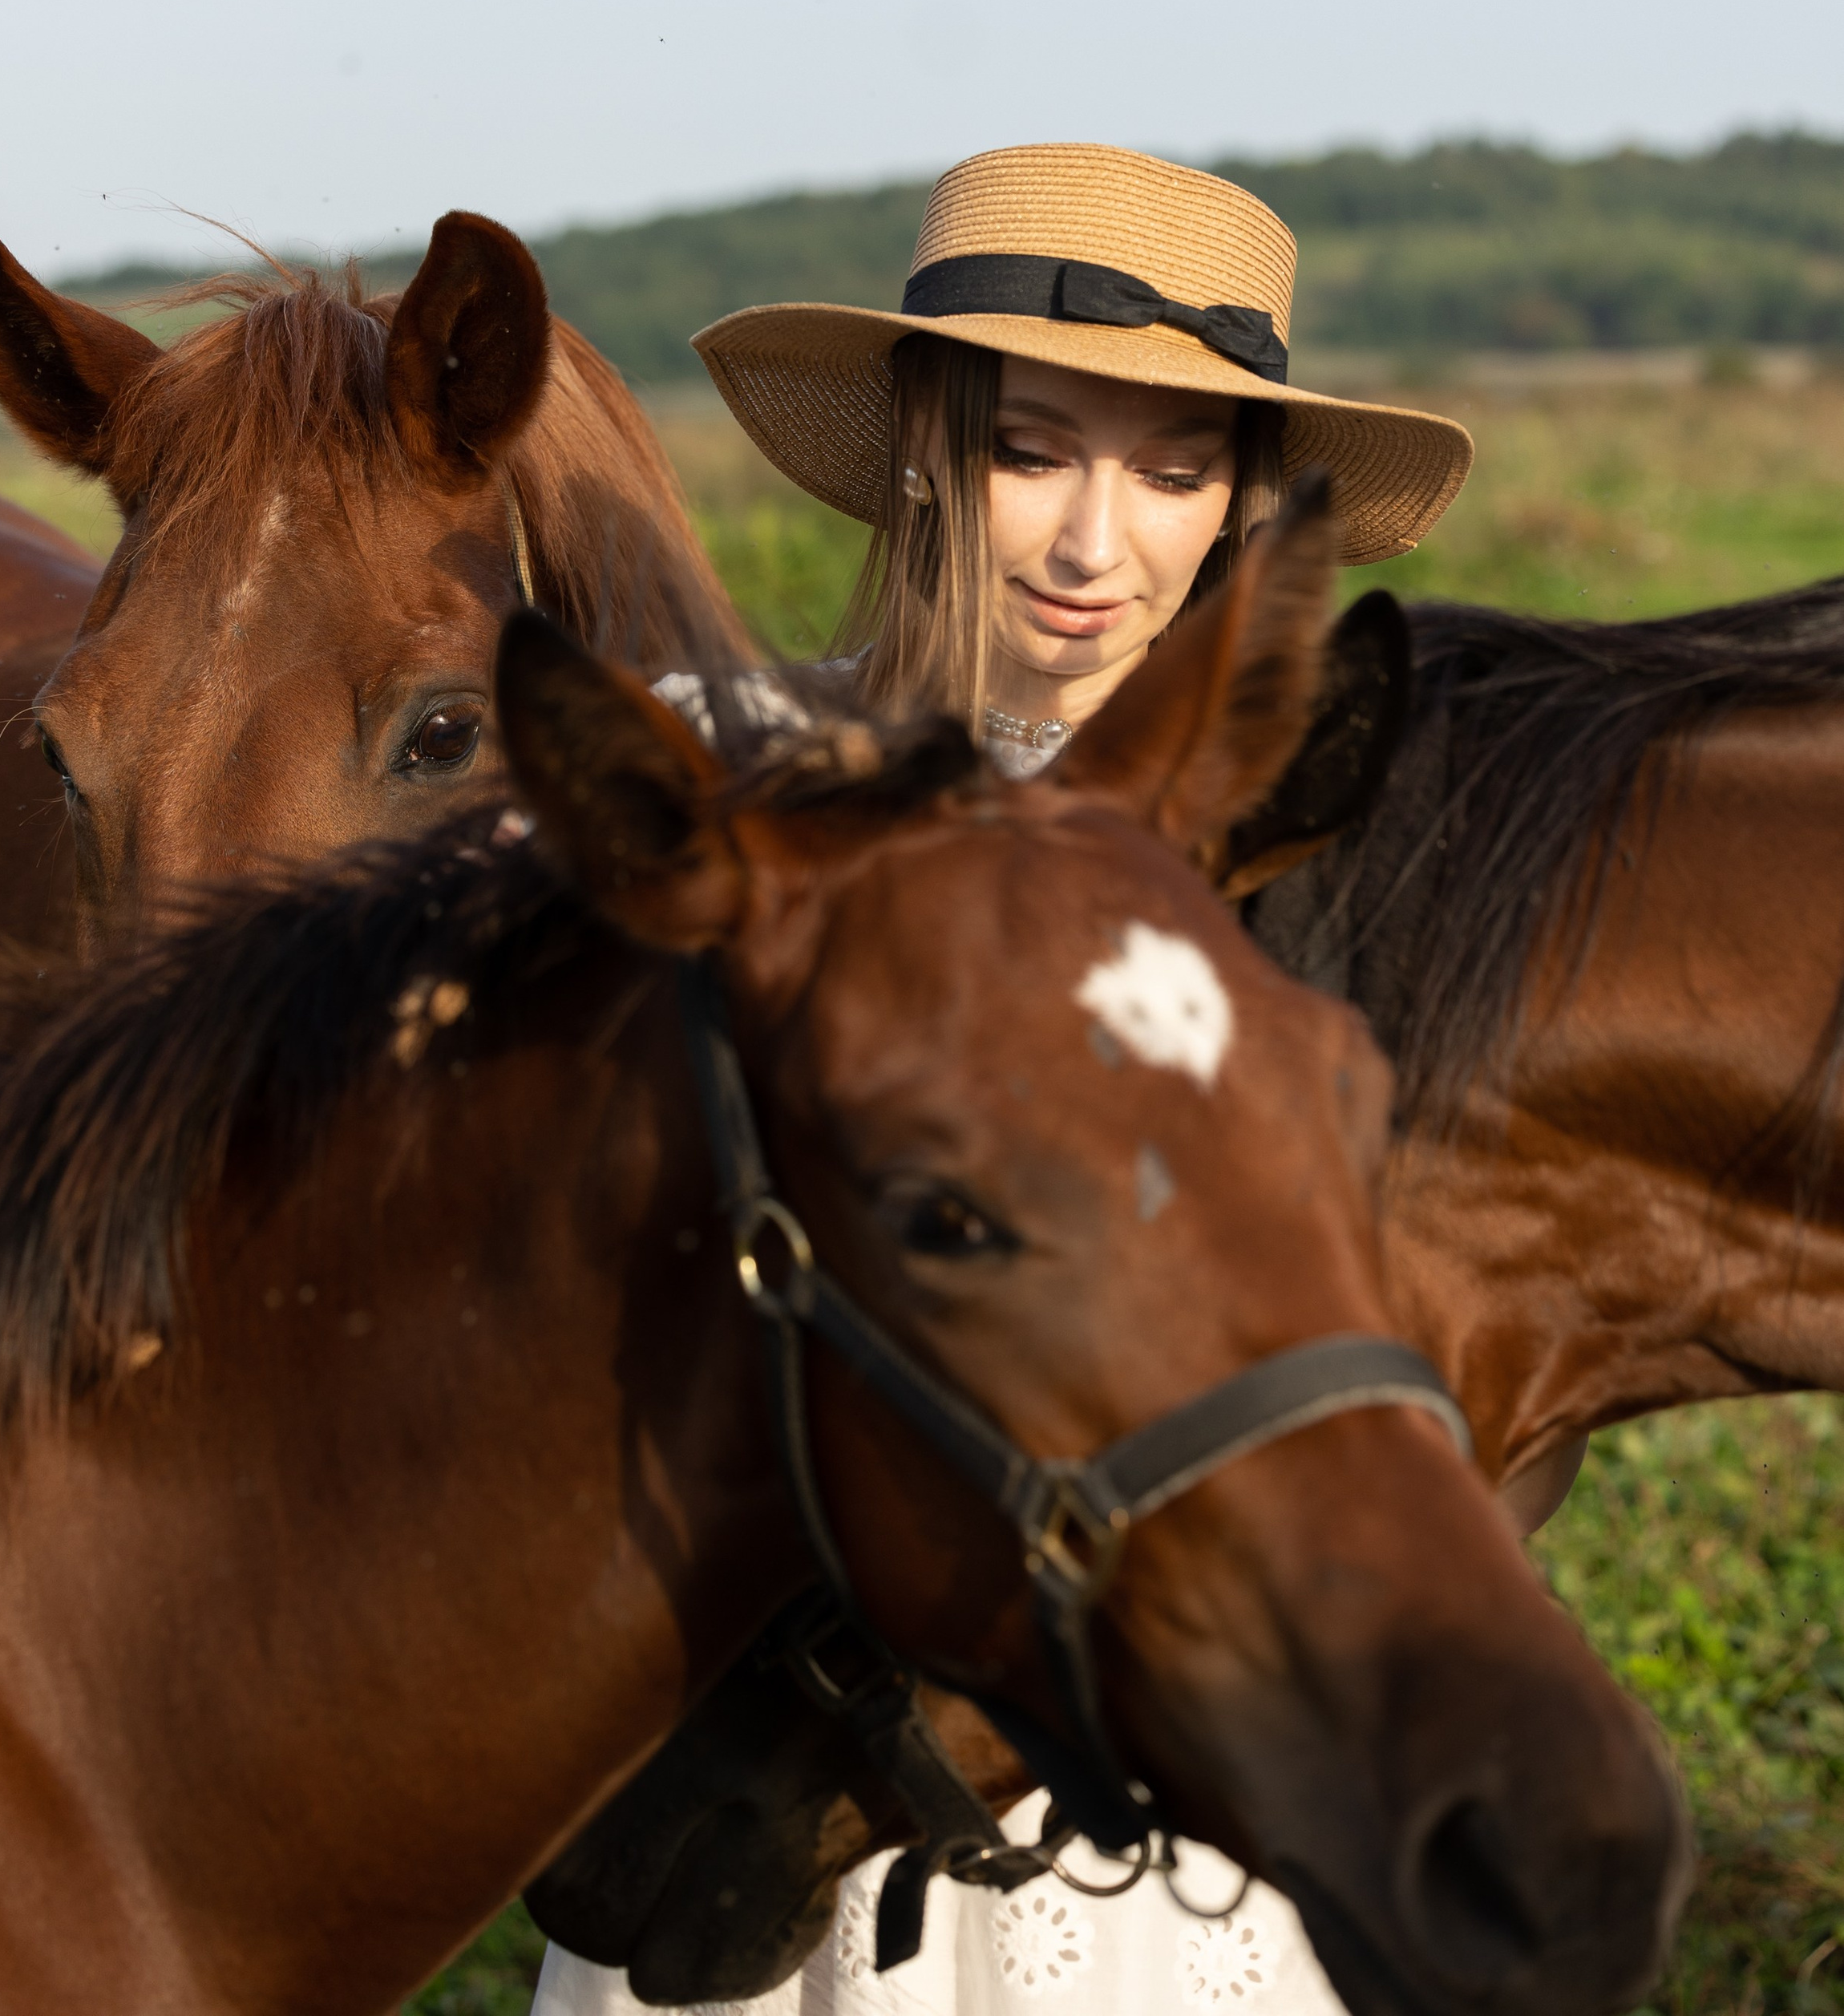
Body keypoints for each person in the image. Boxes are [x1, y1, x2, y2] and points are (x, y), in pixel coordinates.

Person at [535, 142, 1474, 2016]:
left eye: (1173, 471)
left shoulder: (1303, 858)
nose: (1089, 545)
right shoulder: (730, 794)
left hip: (1161, 1721)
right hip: (775, 1704)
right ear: (921, 449)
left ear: (1240, 511)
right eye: (1031, 449)